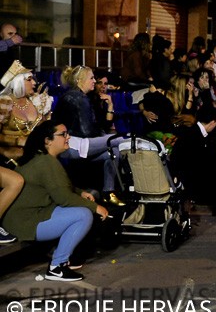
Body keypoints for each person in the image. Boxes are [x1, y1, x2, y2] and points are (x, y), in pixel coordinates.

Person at [1, 121, 109, 281]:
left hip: (30, 216)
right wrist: (96, 207)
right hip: (25, 223)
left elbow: (58, 186)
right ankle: (57, 267)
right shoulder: (46, 162)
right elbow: (63, 197)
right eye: (63, 134)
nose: (68, 137)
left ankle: (61, 257)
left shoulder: (42, 158)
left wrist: (80, 192)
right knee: (83, 215)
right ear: (48, 141)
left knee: (81, 210)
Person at [51, 65, 124, 206]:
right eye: (91, 78)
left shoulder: (77, 95)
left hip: (78, 143)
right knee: (117, 140)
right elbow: (87, 132)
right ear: (80, 80)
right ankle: (139, 144)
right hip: (73, 146)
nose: (94, 81)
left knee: (114, 151)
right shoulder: (78, 98)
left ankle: (108, 192)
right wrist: (102, 136)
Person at [0, 60, 53, 162]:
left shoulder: (35, 101)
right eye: (29, 79)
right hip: (11, 158)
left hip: (36, 155)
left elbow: (44, 130)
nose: (34, 83)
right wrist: (17, 141)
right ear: (18, 82)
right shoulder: (4, 102)